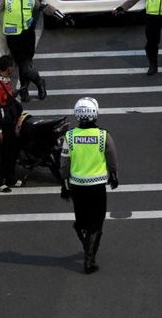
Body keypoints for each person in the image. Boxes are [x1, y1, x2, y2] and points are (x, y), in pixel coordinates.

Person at [60, 97, 119, 274]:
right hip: (97, 186)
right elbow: (112, 157)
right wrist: (114, 175)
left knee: (81, 220)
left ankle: (85, 240)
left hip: (77, 186)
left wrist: (64, 184)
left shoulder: (69, 136)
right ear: (95, 113)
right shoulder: (103, 135)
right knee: (97, 222)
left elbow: (64, 163)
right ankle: (89, 257)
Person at [0, 55, 22, 192]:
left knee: (12, 151)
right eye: (13, 66)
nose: (14, 69)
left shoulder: (5, 81)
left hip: (9, 122)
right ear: (9, 68)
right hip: (2, 125)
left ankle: (10, 178)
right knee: (1, 155)